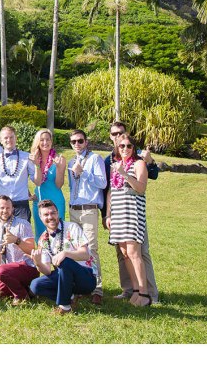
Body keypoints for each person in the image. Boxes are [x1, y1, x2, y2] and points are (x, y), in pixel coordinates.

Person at [102, 120, 159, 303]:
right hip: (117, 214)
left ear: (133, 147)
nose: (124, 146)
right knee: (125, 254)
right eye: (121, 144)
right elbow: (110, 191)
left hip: (132, 213)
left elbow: (142, 188)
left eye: (127, 145)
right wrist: (108, 215)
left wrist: (125, 174)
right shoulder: (113, 163)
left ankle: (146, 294)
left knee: (137, 253)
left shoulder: (139, 163)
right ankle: (134, 290)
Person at [29, 200, 98, 315]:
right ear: (40, 217)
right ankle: (70, 297)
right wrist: (38, 263)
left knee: (64, 261)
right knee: (35, 285)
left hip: (85, 277)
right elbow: (46, 270)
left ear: (58, 213)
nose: (50, 217)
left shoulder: (72, 227)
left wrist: (65, 253)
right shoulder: (42, 239)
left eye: (53, 213)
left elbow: (85, 254)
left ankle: (65, 306)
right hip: (64, 277)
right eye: (46, 215)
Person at [66, 129, 107, 304]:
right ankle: (82, 285)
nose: (77, 144)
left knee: (91, 248)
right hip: (74, 209)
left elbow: (102, 182)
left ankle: (97, 287)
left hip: (89, 209)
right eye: (73, 142)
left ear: (86, 141)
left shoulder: (95, 159)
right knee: (77, 248)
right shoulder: (71, 161)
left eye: (80, 141)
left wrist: (83, 172)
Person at [0, 126, 36, 222]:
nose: (8, 140)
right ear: (1, 140)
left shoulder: (26, 157)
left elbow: (36, 180)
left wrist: (37, 165)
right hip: (3, 204)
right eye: (5, 138)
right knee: (4, 235)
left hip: (21, 204)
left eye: (11, 137)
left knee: (24, 235)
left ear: (16, 138)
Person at [0, 195, 38, 305]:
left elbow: (31, 250)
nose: (5, 211)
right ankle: (26, 289)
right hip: (8, 271)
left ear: (13, 209)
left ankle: (22, 296)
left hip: (27, 267)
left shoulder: (23, 224)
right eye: (1, 208)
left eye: (8, 208)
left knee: (1, 271)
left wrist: (16, 240)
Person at [30, 129, 67, 239]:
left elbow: (59, 184)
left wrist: (59, 168)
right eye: (42, 140)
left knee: (57, 234)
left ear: (51, 141)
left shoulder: (59, 159)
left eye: (48, 139)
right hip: (40, 200)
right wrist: (37, 165)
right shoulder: (33, 159)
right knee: (41, 235)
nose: (45, 142)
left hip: (56, 200)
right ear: (37, 142)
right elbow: (37, 182)